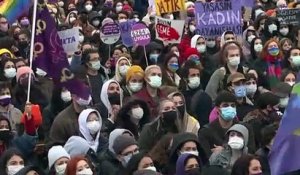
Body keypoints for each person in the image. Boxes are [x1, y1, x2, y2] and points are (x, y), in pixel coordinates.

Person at [198, 91, 240, 157]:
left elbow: (249, 153)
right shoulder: (205, 132)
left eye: (233, 105)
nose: (230, 108)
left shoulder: (243, 128)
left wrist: (224, 151)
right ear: (218, 109)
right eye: (225, 105)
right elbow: (206, 157)